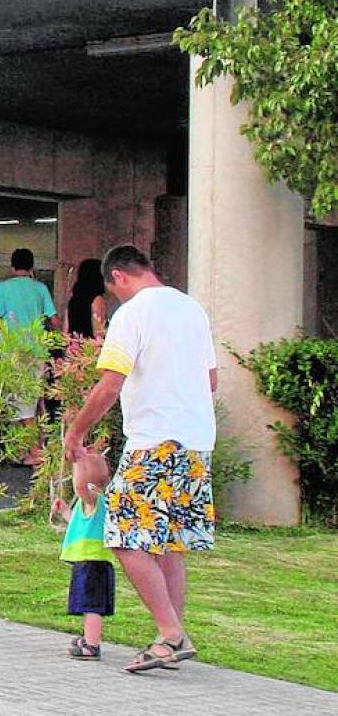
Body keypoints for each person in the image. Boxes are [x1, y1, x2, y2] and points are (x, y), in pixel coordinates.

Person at [63, 244, 217, 674]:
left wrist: (76, 432)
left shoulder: (131, 315)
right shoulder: (192, 310)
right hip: (196, 441)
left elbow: (111, 384)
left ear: (118, 278)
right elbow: (211, 380)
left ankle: (171, 634)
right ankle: (171, 638)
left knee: (123, 536)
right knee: (167, 543)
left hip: (153, 440)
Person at [0, 248, 59, 463]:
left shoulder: (2, 288)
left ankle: (34, 452)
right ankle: (27, 450)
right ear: (32, 267)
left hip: (13, 351)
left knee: (18, 404)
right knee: (33, 402)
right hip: (37, 351)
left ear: (12, 267)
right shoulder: (40, 288)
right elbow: (54, 320)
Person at [54, 449, 116, 660]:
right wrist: (64, 512)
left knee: (91, 606)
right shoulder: (91, 504)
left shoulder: (93, 498)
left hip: (92, 561)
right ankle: (88, 638)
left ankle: (91, 645)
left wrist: (76, 462)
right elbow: (80, 523)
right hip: (91, 561)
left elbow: (80, 487)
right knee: (88, 604)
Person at [64, 258, 108, 340]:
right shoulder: (97, 299)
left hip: (74, 347)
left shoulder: (73, 299)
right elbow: (99, 332)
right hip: (89, 348)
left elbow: (65, 330)